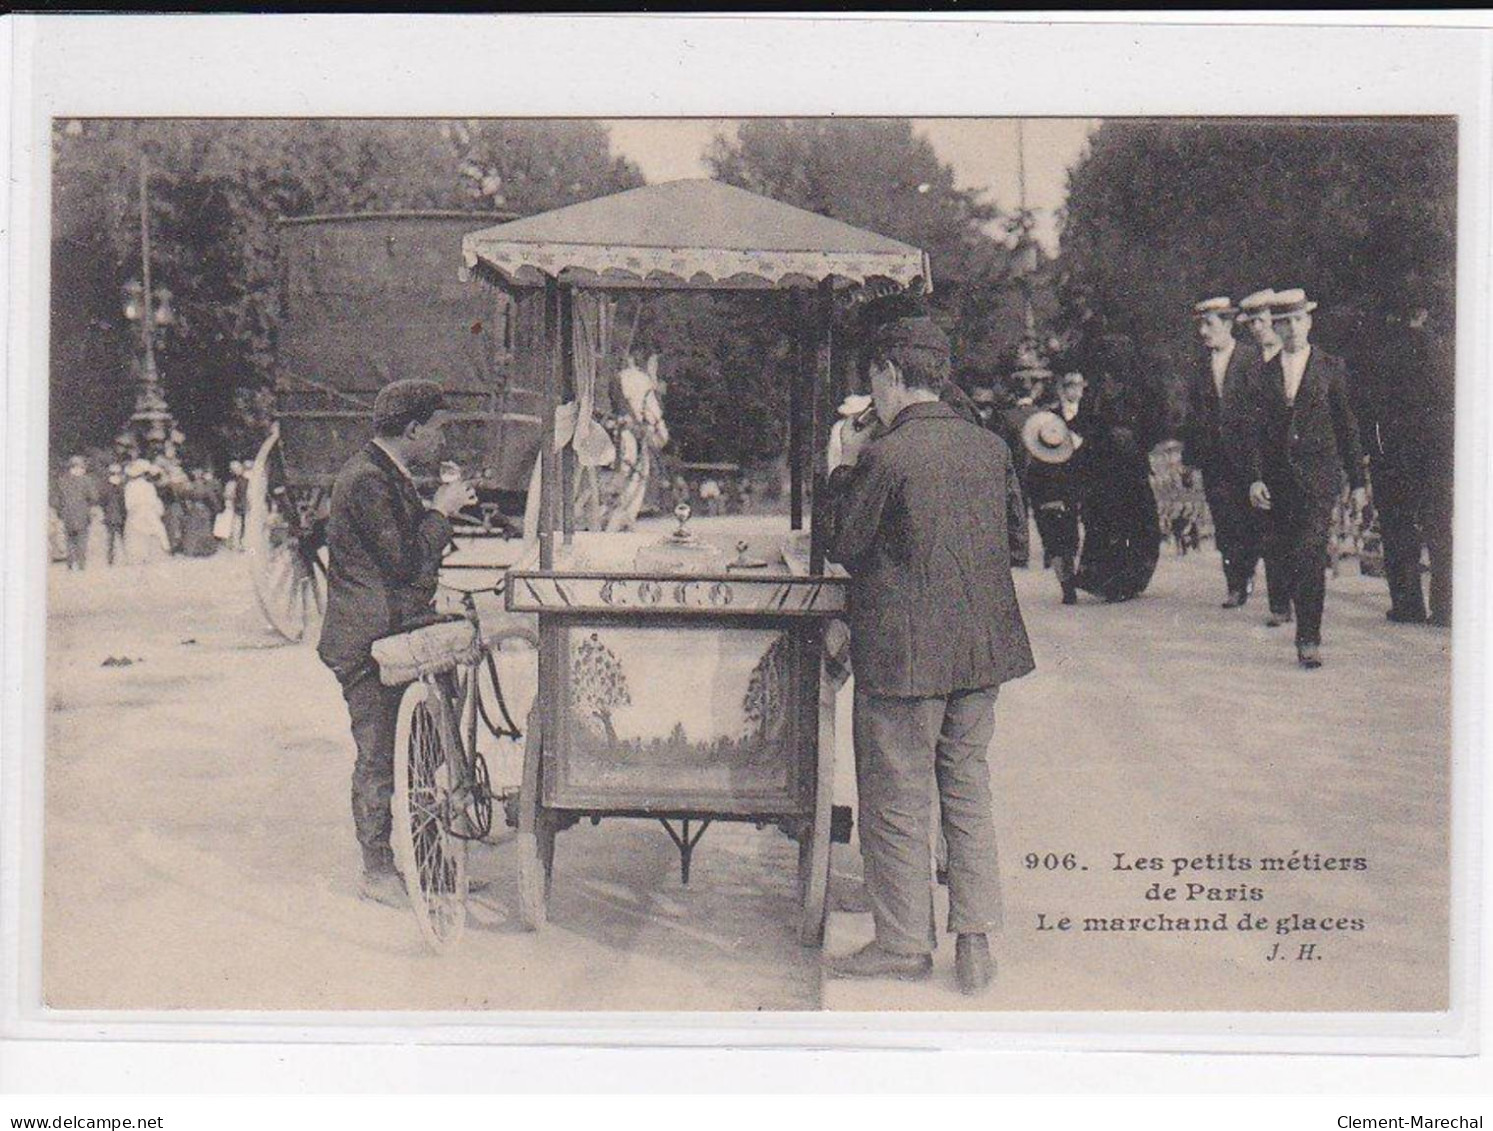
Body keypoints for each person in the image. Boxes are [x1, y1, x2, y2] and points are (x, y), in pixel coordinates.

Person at [825, 313, 1034, 995]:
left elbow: (844, 543)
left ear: (888, 374)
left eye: (874, 382)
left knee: (896, 794)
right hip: (980, 654)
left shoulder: (885, 456)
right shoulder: (990, 447)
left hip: (904, 656)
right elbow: (1015, 542)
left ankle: (903, 942)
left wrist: (838, 469)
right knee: (967, 786)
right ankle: (974, 941)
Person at [317, 378, 476, 907]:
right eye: (437, 430)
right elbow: (405, 561)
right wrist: (442, 511)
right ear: (412, 429)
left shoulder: (383, 472)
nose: (441, 441)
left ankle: (428, 868)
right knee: (381, 755)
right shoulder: (366, 480)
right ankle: (377, 871)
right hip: (370, 641)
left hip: (391, 631)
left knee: (418, 752)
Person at [1238, 289, 1367, 668]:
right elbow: (1255, 433)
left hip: (1318, 479)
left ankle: (1308, 638)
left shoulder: (1331, 367)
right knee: (1287, 554)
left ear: (1309, 322)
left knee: (1310, 553)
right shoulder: (1263, 374)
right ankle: (1299, 618)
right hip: (1279, 482)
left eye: (1298, 319)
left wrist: (1357, 481)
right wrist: (1255, 479)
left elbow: (1347, 426)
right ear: (1276, 327)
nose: (1292, 328)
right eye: (1284, 321)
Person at [1357, 304, 1454, 626]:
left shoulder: (1379, 352)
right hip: (1437, 453)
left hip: (1393, 454)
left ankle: (1407, 604)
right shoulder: (1442, 350)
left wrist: (1374, 450)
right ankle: (1446, 607)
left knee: (1398, 532)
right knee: (1440, 530)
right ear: (1423, 314)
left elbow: (1368, 408)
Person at [1068, 334, 1165, 603]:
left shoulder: (1139, 388)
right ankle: (1110, 579)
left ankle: (1126, 579)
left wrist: (1136, 439)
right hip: (1102, 465)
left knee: (1132, 522)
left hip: (1127, 465)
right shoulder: (1097, 389)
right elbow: (1083, 421)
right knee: (1106, 522)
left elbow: (1155, 422)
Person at [1183, 296, 1263, 607]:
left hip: (1247, 457)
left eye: (1210, 324)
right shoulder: (1200, 365)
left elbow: (1259, 411)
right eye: (1201, 325)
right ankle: (1235, 584)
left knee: (1251, 519)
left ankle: (1247, 569)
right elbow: (1193, 416)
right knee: (1224, 520)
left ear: (1228, 325)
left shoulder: (1250, 359)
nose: (1204, 332)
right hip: (1214, 459)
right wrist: (1189, 462)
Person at [1235, 289, 1294, 626]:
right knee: (1270, 531)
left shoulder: (1296, 356)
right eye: (1251, 322)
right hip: (1265, 456)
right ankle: (1279, 603)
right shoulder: (1249, 362)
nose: (1257, 328)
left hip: (1297, 456)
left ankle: (1299, 597)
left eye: (1261, 320)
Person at [122, 459, 170, 564]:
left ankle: (137, 556)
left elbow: (128, 504)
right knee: (154, 531)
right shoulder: (148, 486)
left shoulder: (129, 486)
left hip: (136, 512)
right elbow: (153, 500)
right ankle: (156, 553)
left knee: (136, 534)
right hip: (149, 511)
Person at [54, 455, 98, 571]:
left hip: (67, 515)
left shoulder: (62, 480)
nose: (84, 469)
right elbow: (94, 497)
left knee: (69, 539)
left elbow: (57, 500)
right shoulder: (86, 480)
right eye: (82, 467)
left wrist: (60, 513)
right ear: (78, 467)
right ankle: (81, 565)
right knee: (82, 539)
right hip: (82, 514)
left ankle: (70, 564)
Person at [101, 464, 127, 566]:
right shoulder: (122, 485)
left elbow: (102, 501)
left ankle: (111, 559)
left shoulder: (106, 486)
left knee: (111, 538)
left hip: (111, 515)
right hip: (119, 515)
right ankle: (119, 558)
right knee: (120, 537)